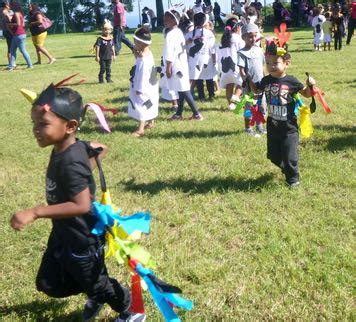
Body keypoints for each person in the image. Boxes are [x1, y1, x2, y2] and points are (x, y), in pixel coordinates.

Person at [10, 84, 144, 322]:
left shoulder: (70, 161)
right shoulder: (67, 147)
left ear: (70, 126)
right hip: (63, 232)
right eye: (34, 123)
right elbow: (100, 148)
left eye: (43, 124)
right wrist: (85, 175)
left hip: (82, 239)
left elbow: (82, 205)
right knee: (47, 282)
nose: (35, 130)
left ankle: (131, 308)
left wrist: (35, 212)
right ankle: (94, 289)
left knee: (97, 284)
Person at [248, 42, 315, 187]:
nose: (271, 66)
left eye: (275, 63)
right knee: (272, 155)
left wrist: (310, 85)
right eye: (268, 63)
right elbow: (257, 91)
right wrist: (248, 80)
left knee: (289, 155)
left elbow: (307, 94)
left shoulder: (291, 81)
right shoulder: (266, 80)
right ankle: (286, 169)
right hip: (273, 125)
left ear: (286, 63)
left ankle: (293, 179)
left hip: (289, 127)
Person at [162, 9, 203, 121]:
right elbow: (182, 46)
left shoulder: (171, 34)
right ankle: (178, 114)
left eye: (168, 18)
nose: (165, 20)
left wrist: (168, 67)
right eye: (164, 18)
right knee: (181, 89)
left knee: (184, 90)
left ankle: (196, 114)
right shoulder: (179, 32)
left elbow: (170, 52)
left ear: (175, 20)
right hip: (182, 64)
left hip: (176, 66)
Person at [128, 26, 159, 137]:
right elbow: (140, 57)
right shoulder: (147, 53)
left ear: (141, 43)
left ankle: (140, 129)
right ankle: (151, 122)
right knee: (150, 103)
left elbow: (142, 75)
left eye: (135, 42)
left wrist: (139, 89)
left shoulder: (144, 61)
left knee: (141, 105)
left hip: (143, 86)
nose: (134, 43)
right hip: (152, 84)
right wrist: (136, 54)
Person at [236, 23, 266, 137]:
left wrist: (265, 79)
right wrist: (246, 79)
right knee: (249, 106)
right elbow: (242, 70)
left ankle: (259, 126)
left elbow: (262, 67)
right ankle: (248, 127)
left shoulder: (259, 50)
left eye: (254, 36)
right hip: (249, 85)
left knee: (261, 105)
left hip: (260, 84)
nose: (253, 39)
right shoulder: (242, 53)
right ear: (243, 37)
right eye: (249, 36)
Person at [186, 12, 217, 101]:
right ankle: (211, 95)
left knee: (198, 78)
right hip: (207, 59)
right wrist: (214, 60)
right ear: (204, 22)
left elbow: (186, 48)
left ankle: (201, 96)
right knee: (209, 78)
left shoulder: (189, 34)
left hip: (194, 60)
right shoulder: (209, 33)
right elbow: (213, 48)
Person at [218, 17, 245, 110]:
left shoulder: (223, 39)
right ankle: (235, 99)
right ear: (237, 27)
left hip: (225, 67)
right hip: (236, 67)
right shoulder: (238, 38)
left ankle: (231, 105)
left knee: (229, 86)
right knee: (242, 84)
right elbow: (243, 52)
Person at [7, 2, 32, 70]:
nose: (9, 6)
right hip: (20, 34)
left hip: (18, 35)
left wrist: (10, 25)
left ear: (14, 6)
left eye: (10, 5)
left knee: (22, 50)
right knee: (12, 50)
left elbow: (18, 24)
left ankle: (30, 65)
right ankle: (12, 66)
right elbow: (23, 25)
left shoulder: (16, 14)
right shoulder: (20, 14)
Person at [95, 19, 115, 83]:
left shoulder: (111, 38)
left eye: (108, 30)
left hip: (109, 56)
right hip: (102, 57)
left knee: (108, 68)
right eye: (105, 29)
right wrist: (97, 56)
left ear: (111, 30)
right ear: (102, 30)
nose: (107, 31)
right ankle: (101, 79)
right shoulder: (100, 39)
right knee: (103, 68)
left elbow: (112, 46)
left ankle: (108, 79)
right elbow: (97, 47)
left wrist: (114, 55)